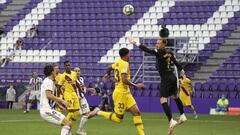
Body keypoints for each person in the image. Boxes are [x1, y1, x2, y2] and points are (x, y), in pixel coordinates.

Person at [129, 37, 187, 135]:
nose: (157, 44)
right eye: (157, 43)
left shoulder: (159, 52)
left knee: (163, 100)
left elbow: (147, 50)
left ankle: (171, 121)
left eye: (159, 43)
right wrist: (183, 74)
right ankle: (182, 115)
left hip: (166, 79)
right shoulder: (169, 52)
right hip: (173, 77)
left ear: (163, 44)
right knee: (175, 97)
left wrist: (136, 43)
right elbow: (177, 64)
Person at [93, 48, 145, 135]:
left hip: (126, 92)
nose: (130, 56)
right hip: (120, 93)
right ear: (125, 55)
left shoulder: (118, 62)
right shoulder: (125, 64)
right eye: (129, 54)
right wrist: (136, 85)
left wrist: (108, 74)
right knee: (118, 118)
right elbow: (124, 80)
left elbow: (109, 67)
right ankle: (98, 111)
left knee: (137, 113)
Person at [39, 64, 72, 135]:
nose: (56, 71)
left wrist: (58, 104)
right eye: (55, 70)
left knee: (67, 124)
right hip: (46, 110)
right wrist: (62, 101)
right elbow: (49, 95)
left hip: (48, 109)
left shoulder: (49, 81)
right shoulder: (48, 81)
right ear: (52, 72)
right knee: (67, 123)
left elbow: (49, 97)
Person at [58, 61, 81, 127]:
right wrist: (60, 97)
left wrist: (80, 91)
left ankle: (69, 125)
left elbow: (76, 83)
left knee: (77, 111)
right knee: (71, 110)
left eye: (69, 65)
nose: (68, 66)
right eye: (66, 65)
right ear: (64, 66)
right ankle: (63, 123)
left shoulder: (74, 73)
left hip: (74, 93)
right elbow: (59, 86)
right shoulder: (63, 76)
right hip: (67, 94)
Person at [74, 67, 96, 135]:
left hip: (82, 98)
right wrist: (76, 96)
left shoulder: (81, 79)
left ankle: (79, 129)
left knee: (87, 114)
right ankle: (78, 129)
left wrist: (90, 89)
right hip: (77, 99)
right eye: (76, 71)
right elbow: (72, 89)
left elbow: (82, 88)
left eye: (79, 71)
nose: (77, 72)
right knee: (74, 115)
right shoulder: (73, 80)